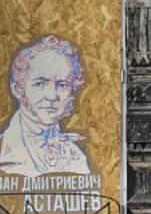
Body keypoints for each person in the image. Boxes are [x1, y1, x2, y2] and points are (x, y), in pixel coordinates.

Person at [0, 35, 91, 177]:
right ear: (18, 89)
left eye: (62, 85)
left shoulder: (76, 157)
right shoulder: (3, 151)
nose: (52, 96)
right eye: (40, 84)